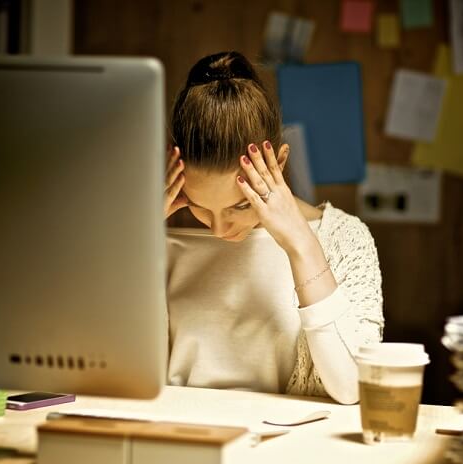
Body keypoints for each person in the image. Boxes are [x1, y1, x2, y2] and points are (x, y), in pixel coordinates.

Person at [164, 51, 383, 404]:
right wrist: (135, 240)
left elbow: (353, 388)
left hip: (293, 453)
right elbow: (99, 372)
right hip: (176, 441)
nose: (220, 229)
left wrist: (302, 245)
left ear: (278, 163)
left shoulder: (345, 238)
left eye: (240, 205)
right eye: (200, 207)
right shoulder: (159, 237)